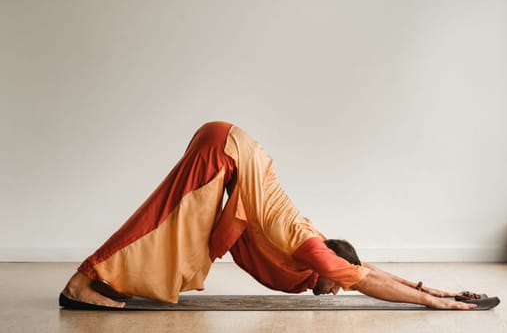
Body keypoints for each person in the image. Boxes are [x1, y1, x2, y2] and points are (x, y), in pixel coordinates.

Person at [60, 121, 476, 310]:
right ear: (331, 262)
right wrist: (429, 302)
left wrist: (434, 289)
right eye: (338, 282)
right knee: (161, 218)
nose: (336, 290)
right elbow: (365, 279)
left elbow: (366, 270)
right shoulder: (312, 247)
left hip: (229, 149)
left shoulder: (316, 246)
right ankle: (82, 281)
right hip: (225, 151)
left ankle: (110, 279)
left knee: (181, 238)